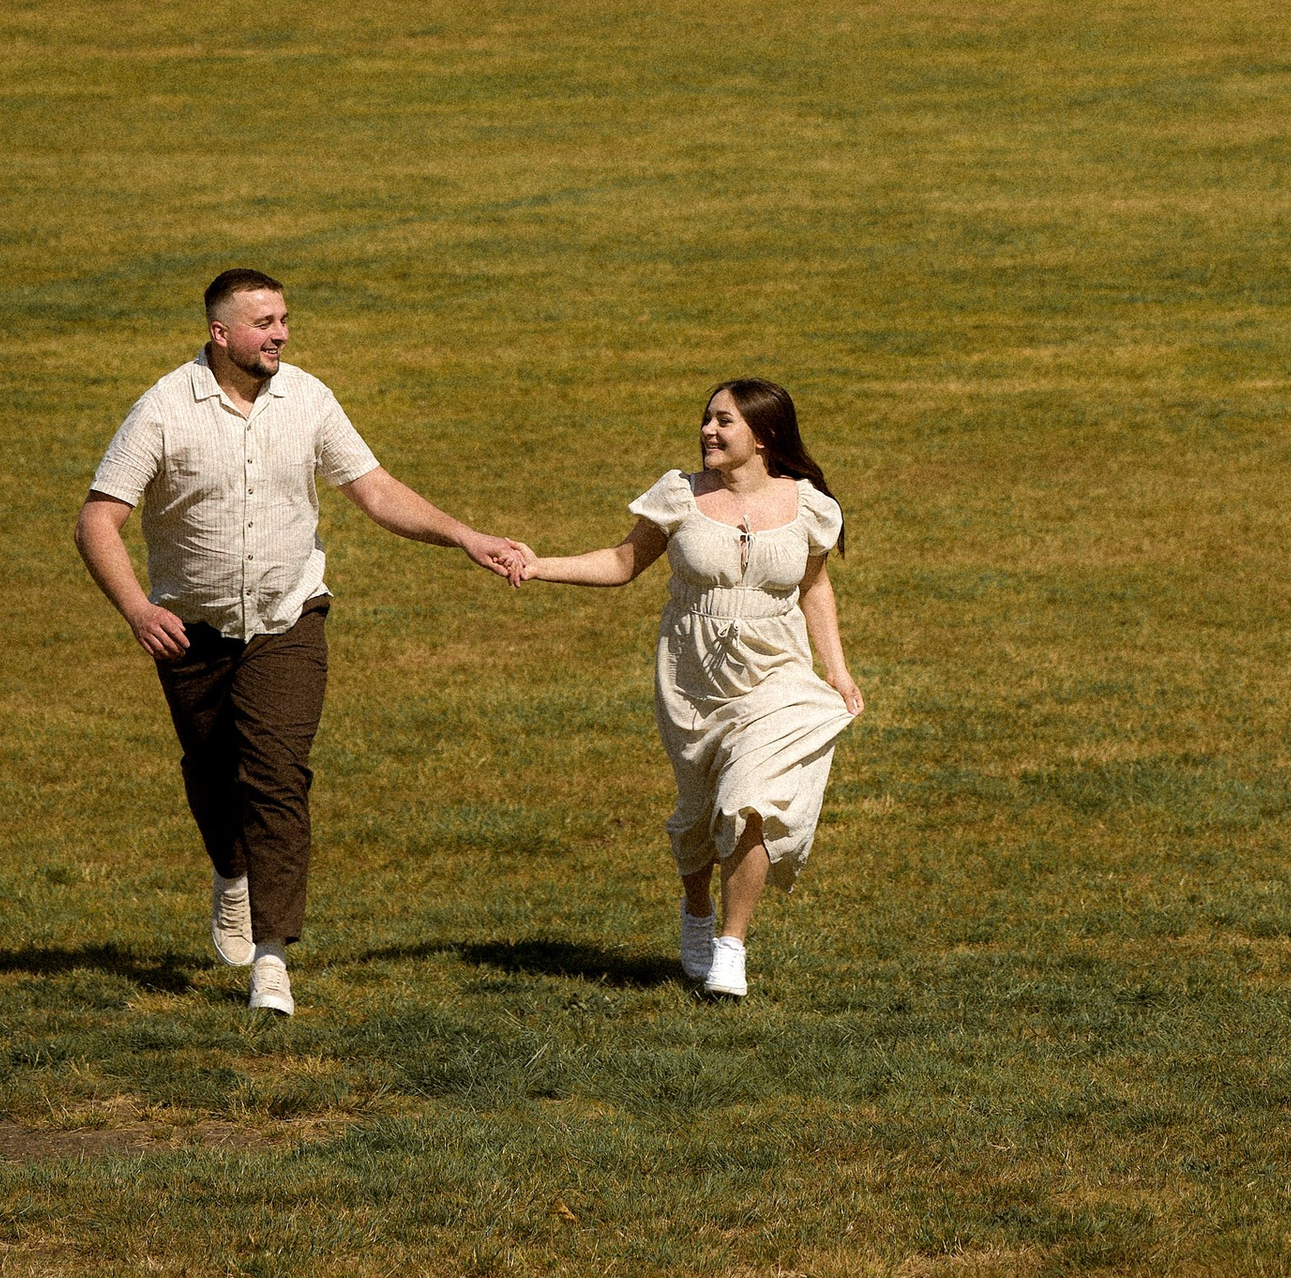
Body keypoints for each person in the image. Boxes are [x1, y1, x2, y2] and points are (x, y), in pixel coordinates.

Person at [77, 267, 531, 1018]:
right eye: (263, 321)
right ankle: (231, 874)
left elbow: (374, 487)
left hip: (290, 619)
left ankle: (273, 957)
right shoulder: (163, 408)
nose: (281, 333)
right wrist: (135, 607)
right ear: (221, 333)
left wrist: (466, 536)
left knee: (277, 777)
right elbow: (98, 518)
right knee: (212, 773)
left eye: (284, 318)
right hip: (189, 629)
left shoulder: (309, 399)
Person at [519, 376, 861, 998]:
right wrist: (540, 565)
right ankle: (697, 910)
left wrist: (835, 670)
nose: (708, 430)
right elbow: (622, 564)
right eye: (707, 419)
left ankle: (731, 945)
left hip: (778, 673)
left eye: (724, 422)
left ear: (764, 437)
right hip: (693, 676)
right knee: (702, 811)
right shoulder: (679, 496)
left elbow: (814, 587)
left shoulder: (808, 505)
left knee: (751, 800)